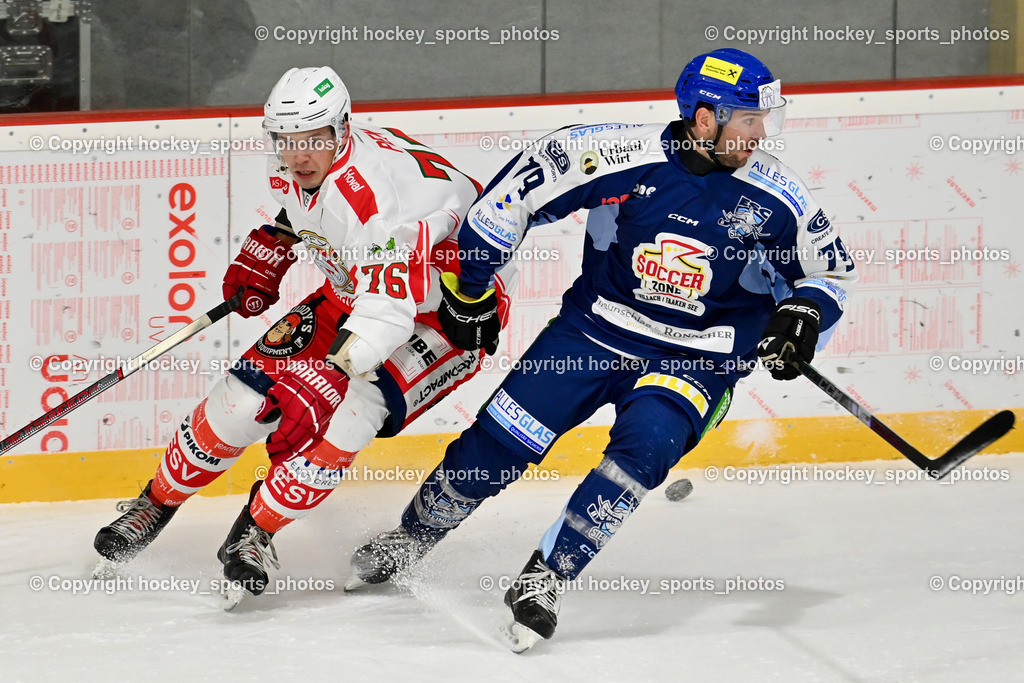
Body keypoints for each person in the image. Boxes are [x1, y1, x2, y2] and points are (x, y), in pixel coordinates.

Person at [348, 48, 858, 651]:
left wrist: (802, 315)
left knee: (645, 449)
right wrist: (473, 287)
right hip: (594, 332)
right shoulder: (615, 154)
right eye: (748, 119)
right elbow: (509, 199)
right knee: (498, 446)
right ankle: (413, 536)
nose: (760, 133)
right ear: (703, 118)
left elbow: (829, 276)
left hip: (701, 355)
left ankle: (547, 576)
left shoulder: (781, 197)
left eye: (762, 120)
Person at [92, 66, 513, 601]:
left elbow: (387, 310)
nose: (299, 154)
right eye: (287, 140)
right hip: (363, 287)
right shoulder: (295, 167)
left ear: (341, 130)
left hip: (449, 313)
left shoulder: (376, 203)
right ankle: (156, 500)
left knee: (347, 417)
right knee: (242, 400)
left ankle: (258, 530)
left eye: (314, 139)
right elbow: (316, 217)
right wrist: (274, 241)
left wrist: (328, 374)